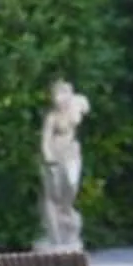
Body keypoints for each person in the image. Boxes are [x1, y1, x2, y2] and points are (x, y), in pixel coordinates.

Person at [38, 81, 89, 254]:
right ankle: (56, 233)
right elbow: (45, 140)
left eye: (64, 94)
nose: (60, 99)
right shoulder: (52, 117)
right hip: (55, 156)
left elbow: (84, 107)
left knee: (72, 185)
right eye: (57, 95)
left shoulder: (74, 109)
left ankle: (67, 212)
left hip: (71, 154)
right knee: (53, 193)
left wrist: (77, 102)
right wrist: (48, 156)